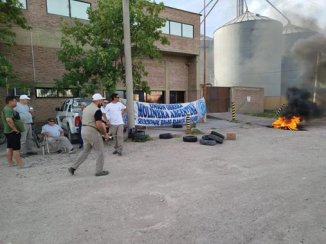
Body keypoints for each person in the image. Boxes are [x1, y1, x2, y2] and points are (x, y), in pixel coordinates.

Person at [68, 93, 110, 177]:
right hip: (92, 131)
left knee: (85, 151)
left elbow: (90, 119)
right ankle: (99, 171)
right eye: (101, 100)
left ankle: (73, 167)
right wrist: (105, 133)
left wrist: (104, 122)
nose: (102, 102)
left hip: (84, 130)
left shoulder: (86, 108)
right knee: (100, 151)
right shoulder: (97, 110)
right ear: (98, 101)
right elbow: (98, 124)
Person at [1, 96, 24, 168]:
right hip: (12, 132)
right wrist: (15, 129)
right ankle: (20, 164)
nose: (16, 102)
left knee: (10, 147)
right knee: (16, 148)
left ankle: (10, 163)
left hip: (8, 131)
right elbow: (9, 120)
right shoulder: (8, 109)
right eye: (15, 101)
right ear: (10, 102)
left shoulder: (7, 109)